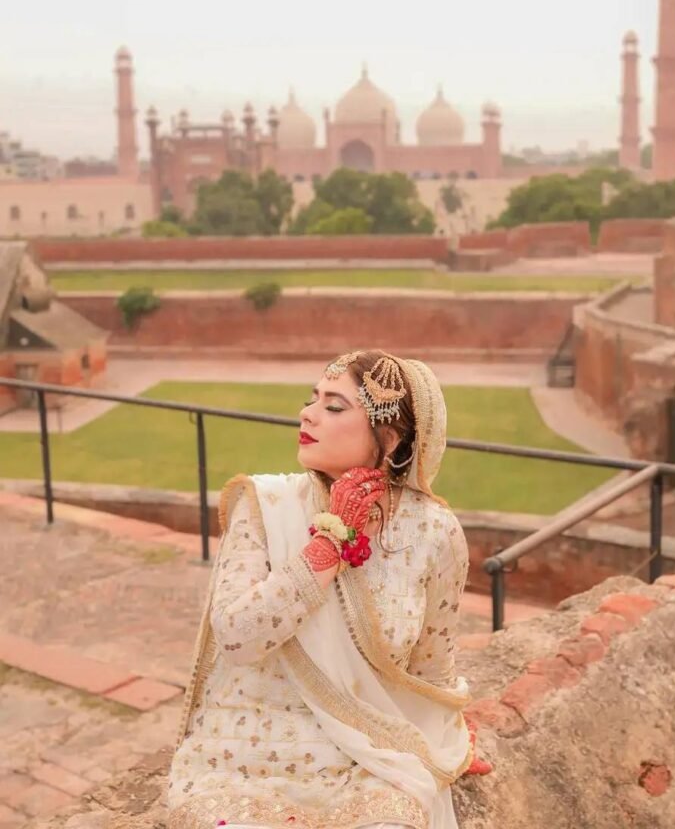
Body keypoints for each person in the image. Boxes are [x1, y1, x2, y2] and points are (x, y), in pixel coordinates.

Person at [167, 349, 491, 829]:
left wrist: (448, 743)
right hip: (247, 754)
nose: (308, 413)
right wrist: (325, 548)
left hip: (369, 756)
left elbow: (432, 665)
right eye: (312, 399)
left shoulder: (433, 531)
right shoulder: (266, 506)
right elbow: (236, 636)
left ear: (391, 438)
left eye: (334, 406)